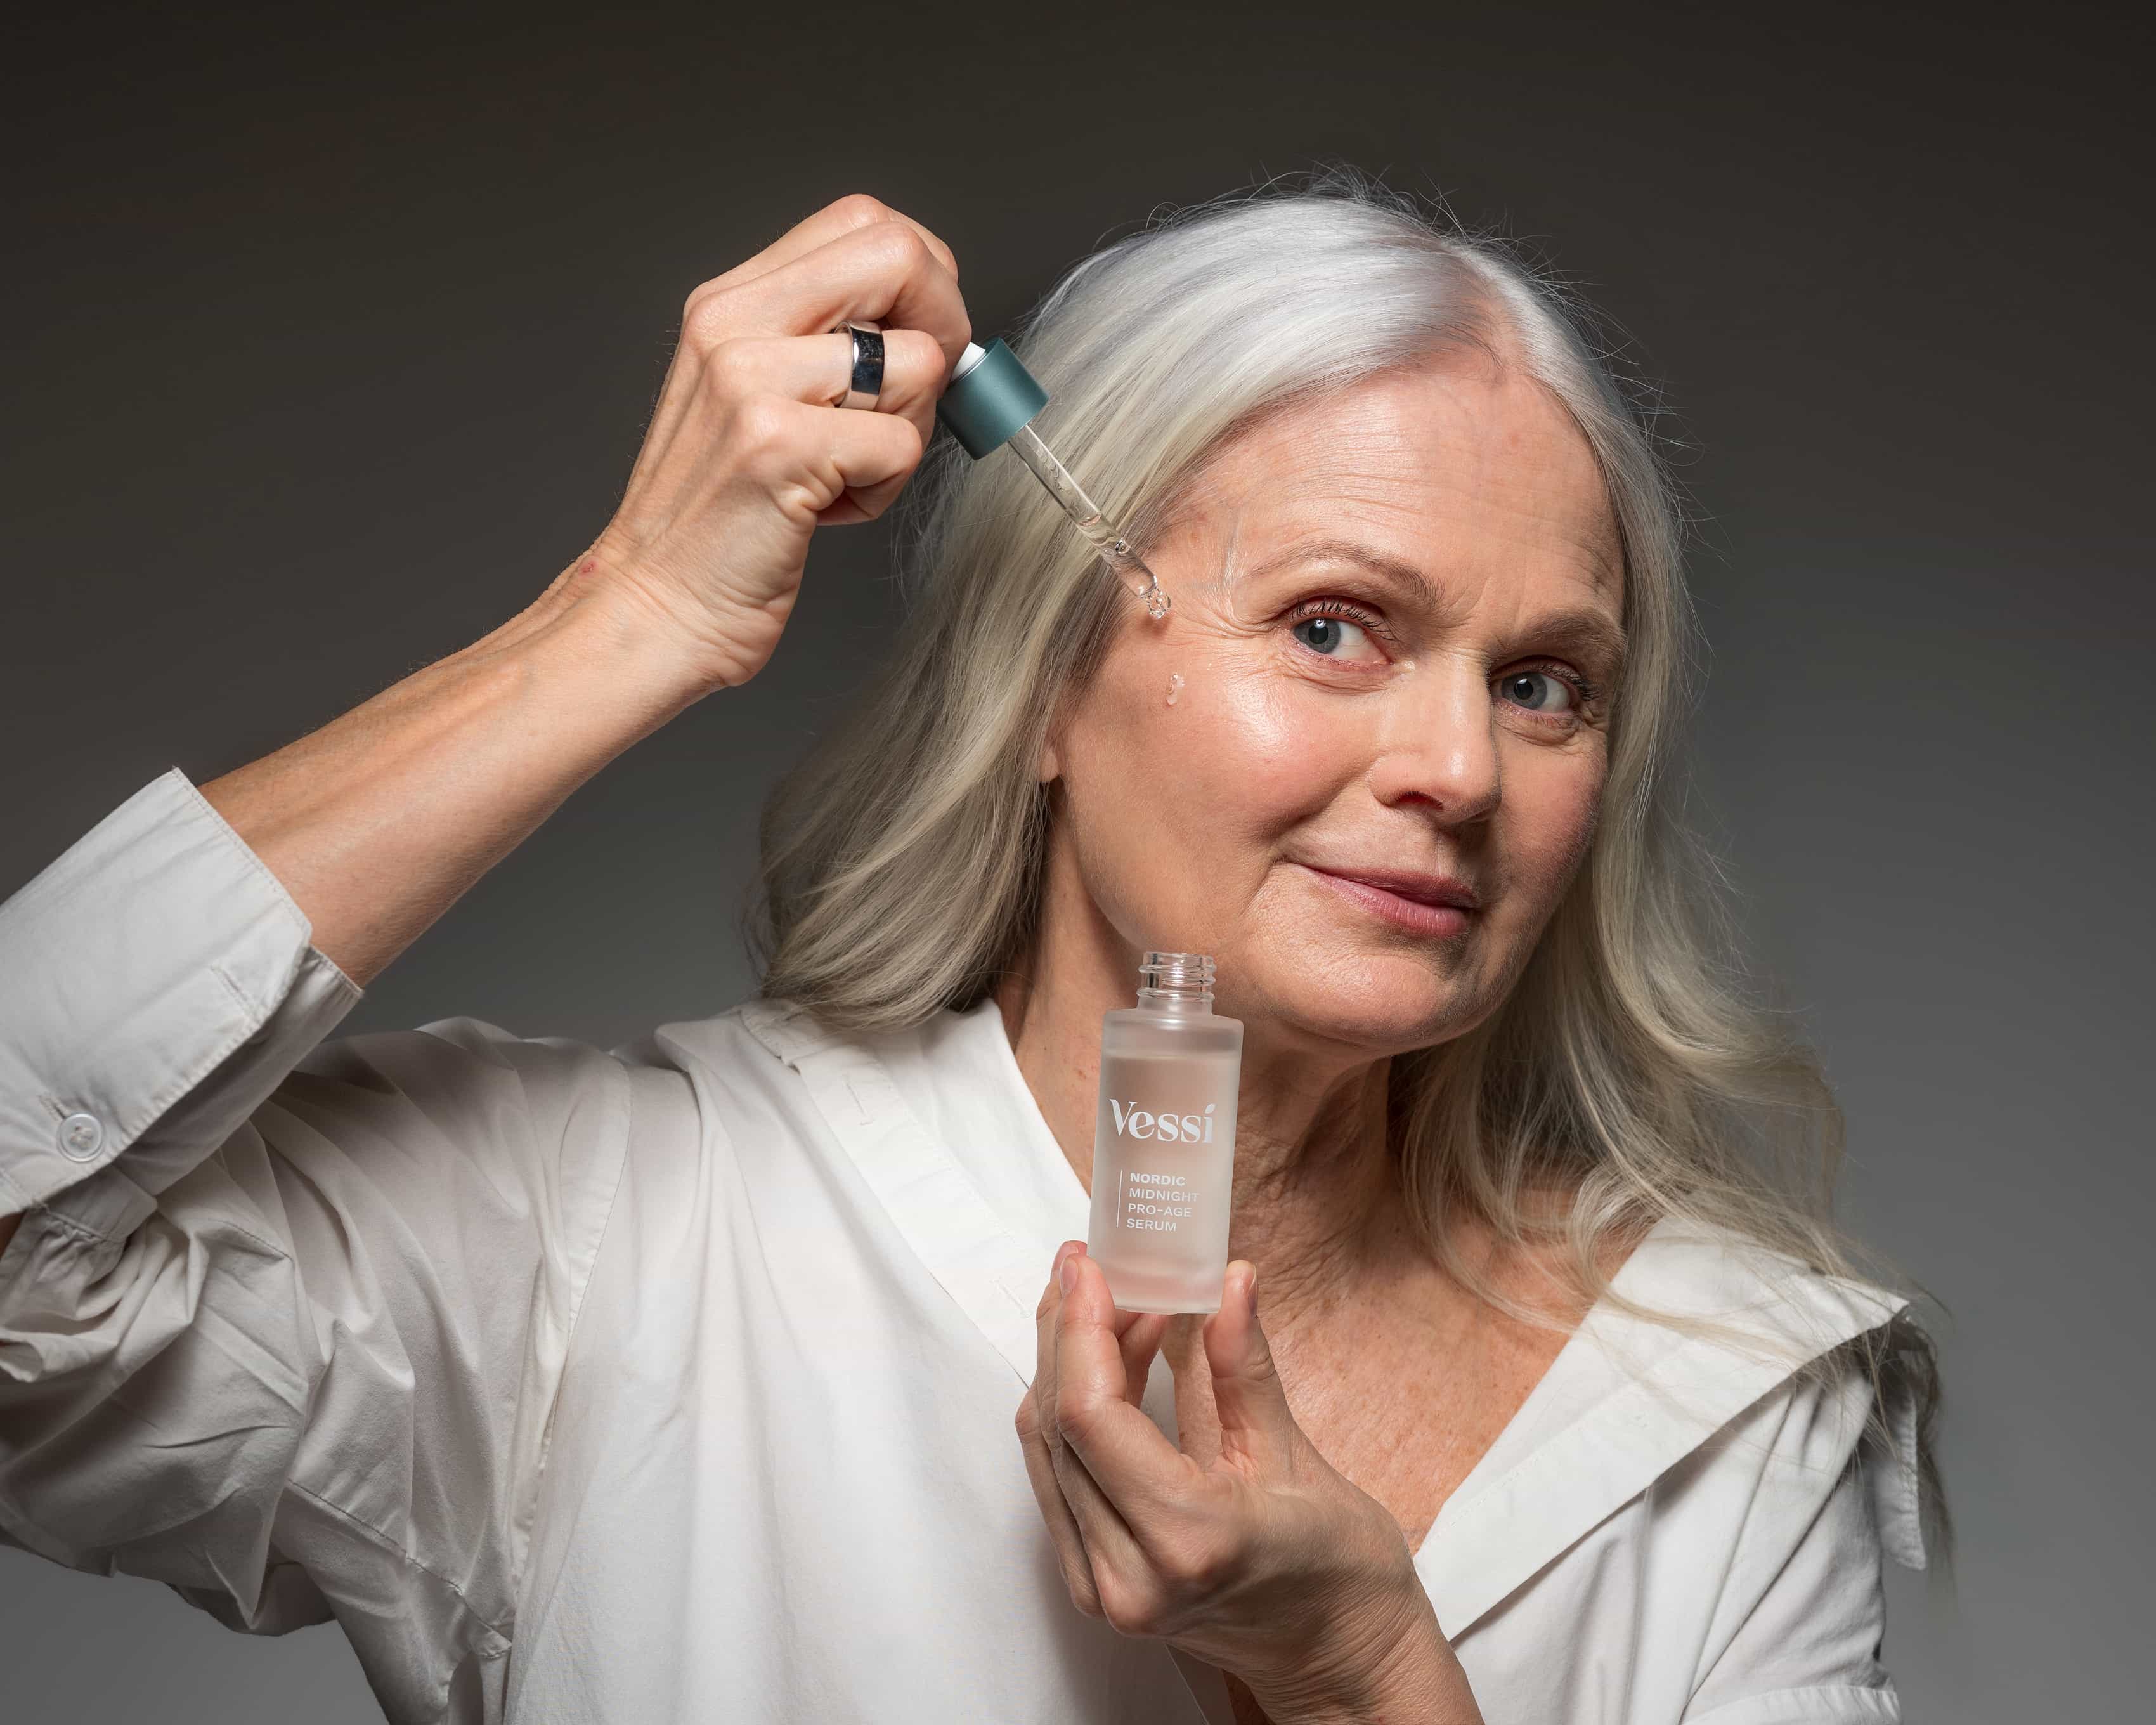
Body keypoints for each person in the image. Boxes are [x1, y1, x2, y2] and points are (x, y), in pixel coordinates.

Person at [0, 174, 1938, 1724]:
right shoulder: (607, 1241)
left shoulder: (1718, 1394)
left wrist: (1362, 1673)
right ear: (1047, 680)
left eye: (1543, 682)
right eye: (1334, 627)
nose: (1459, 769)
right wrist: (634, 609)